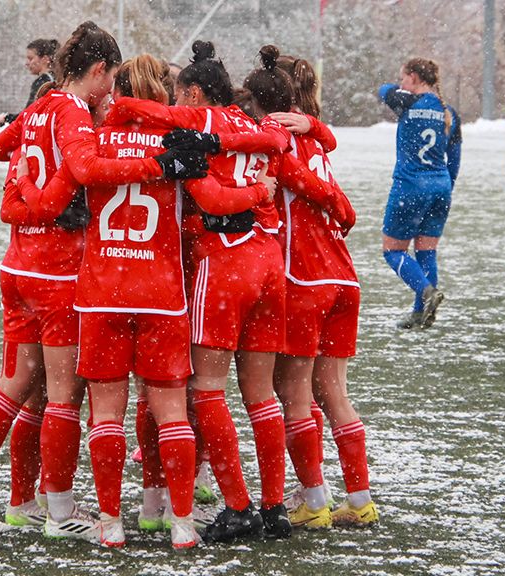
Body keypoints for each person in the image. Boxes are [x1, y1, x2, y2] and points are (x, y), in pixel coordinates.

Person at [0, 20, 206, 542]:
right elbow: (211, 202)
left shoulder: (93, 138)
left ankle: (103, 521)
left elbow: (17, 162)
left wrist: (35, 196)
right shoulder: (178, 142)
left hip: (97, 290)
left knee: (91, 409)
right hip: (158, 293)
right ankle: (179, 520)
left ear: (118, 92)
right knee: (169, 409)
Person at [109, 40, 294, 542]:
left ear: (194, 91)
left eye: (179, 93)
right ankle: (275, 506)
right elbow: (277, 149)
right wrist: (260, 192)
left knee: (205, 389)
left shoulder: (205, 124)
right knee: (260, 396)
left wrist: (121, 104)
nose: (174, 103)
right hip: (268, 263)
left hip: (226, 261)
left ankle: (239, 506)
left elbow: (207, 192)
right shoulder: (258, 124)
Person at [264, 50, 378, 529]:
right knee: (332, 393)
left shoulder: (276, 143)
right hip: (341, 277)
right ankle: (359, 497)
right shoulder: (316, 140)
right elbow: (321, 174)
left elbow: (292, 181)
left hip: (303, 278)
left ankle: (314, 500)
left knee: (290, 392)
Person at [377, 58, 462, 329]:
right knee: (426, 252)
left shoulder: (407, 102)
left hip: (410, 186)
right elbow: (455, 159)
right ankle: (419, 315)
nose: (400, 82)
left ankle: (427, 293)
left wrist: (402, 89)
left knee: (393, 251)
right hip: (441, 187)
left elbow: (382, 90)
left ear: (413, 77)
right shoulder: (450, 112)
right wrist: (446, 187)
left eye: (404, 77)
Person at [0, 39, 59, 128]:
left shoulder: (42, 82)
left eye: (30, 58)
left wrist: (6, 118)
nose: (27, 63)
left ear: (45, 59)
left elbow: (28, 115)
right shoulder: (58, 79)